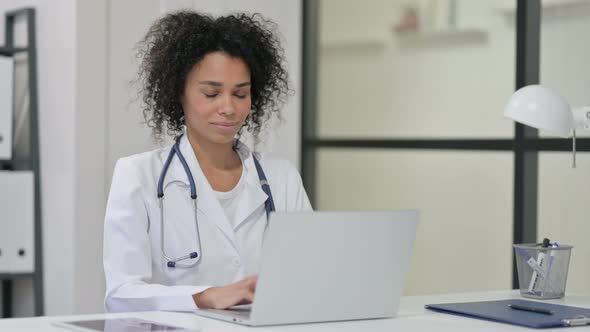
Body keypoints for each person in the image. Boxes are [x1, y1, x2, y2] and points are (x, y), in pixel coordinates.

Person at [103, 10, 312, 313]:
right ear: (179, 92)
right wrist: (205, 297)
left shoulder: (281, 177)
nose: (228, 108)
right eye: (211, 93)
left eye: (240, 94)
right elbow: (121, 294)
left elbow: (308, 274)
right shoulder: (138, 175)